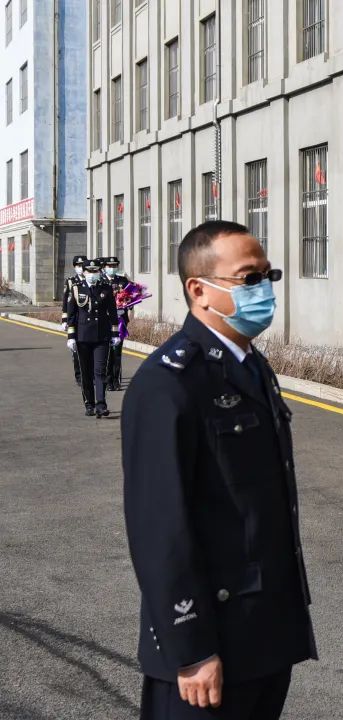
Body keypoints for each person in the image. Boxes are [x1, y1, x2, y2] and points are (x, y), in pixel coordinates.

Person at [121, 221, 316, 720]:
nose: (264, 289)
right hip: (208, 647)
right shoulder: (170, 384)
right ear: (199, 290)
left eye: (268, 275)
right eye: (248, 278)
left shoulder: (253, 367)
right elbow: (159, 529)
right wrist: (192, 649)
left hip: (263, 634)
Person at [65, 258, 119, 417]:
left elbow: (113, 313)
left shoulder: (106, 289)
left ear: (99, 272)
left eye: (95, 271)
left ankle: (101, 405)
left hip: (101, 337)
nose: (92, 274)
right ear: (84, 272)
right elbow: (72, 315)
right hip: (82, 338)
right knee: (86, 373)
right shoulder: (76, 289)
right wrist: (71, 337)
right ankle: (89, 403)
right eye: (89, 271)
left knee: (100, 371)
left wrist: (115, 333)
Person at [102, 256, 131, 390]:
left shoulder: (123, 281)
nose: (112, 269)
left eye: (114, 266)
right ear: (105, 267)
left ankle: (116, 379)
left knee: (117, 351)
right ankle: (107, 380)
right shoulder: (101, 282)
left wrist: (127, 304)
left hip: (120, 321)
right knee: (106, 351)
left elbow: (131, 297)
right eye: (109, 266)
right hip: (105, 322)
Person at [61, 254, 88, 386]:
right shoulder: (71, 281)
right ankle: (79, 376)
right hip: (75, 320)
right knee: (76, 349)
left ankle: (89, 375)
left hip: (88, 321)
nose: (80, 268)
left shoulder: (91, 280)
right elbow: (67, 301)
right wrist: (64, 319)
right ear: (74, 267)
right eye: (78, 265)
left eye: (82, 265)